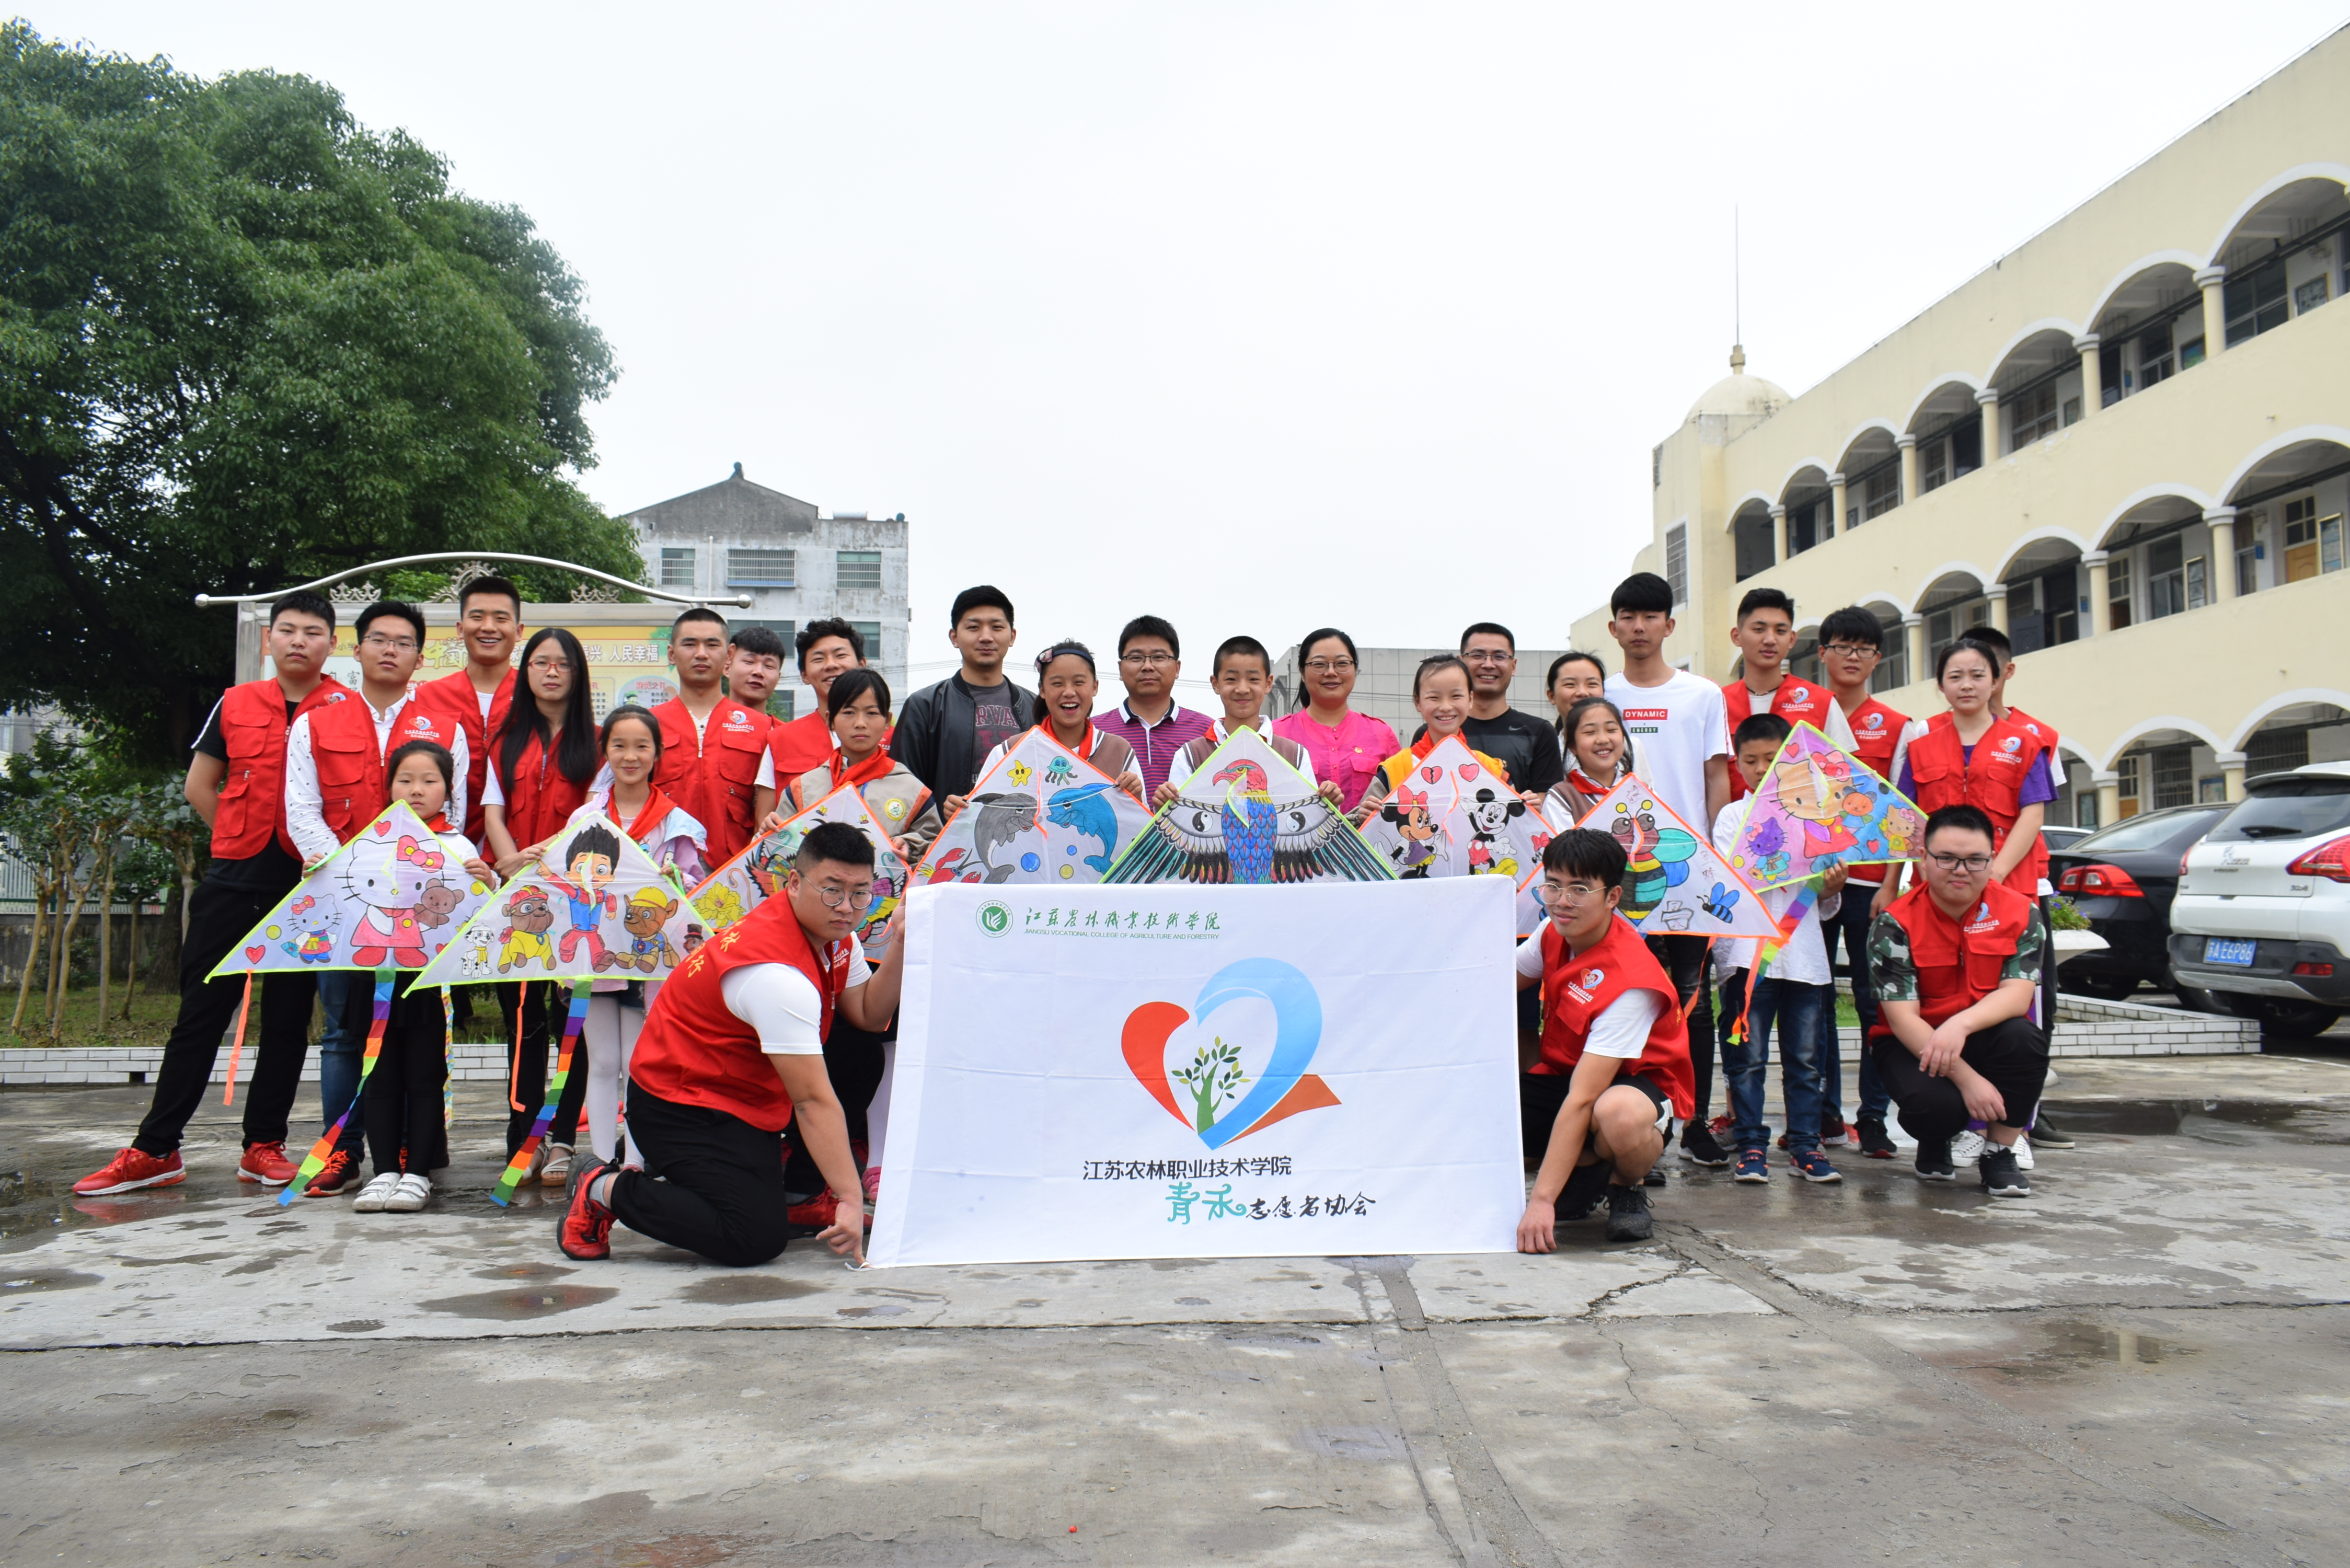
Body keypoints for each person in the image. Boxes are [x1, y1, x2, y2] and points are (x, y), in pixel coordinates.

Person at [73, 594, 352, 1198]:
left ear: (333, 645)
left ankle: (263, 1145)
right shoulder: (236, 702)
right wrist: (237, 840)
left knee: (286, 1022)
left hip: (307, 887)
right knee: (199, 1016)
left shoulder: (346, 709)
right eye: (287, 630)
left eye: (312, 632)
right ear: (269, 640)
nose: (299, 641)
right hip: (232, 880)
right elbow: (201, 785)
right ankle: (156, 1149)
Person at [559, 821, 905, 1267]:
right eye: (832, 890)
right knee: (753, 1238)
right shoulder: (775, 975)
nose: (846, 908)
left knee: (860, 1052)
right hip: (680, 1105)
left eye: (861, 894)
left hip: (744, 1088)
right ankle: (603, 1188)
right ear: (794, 883)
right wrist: (851, 1197)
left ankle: (800, 1194)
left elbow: (869, 1017)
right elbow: (811, 1101)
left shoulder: (835, 938)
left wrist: (901, 943)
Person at [280, 601, 469, 1193]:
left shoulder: (446, 728)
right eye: (379, 639)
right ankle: (342, 1150)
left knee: (418, 1038)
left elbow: (456, 814)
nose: (391, 650)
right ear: (356, 649)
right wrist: (348, 880)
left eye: (404, 642)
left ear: (420, 656)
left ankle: (411, 1149)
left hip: (418, 918)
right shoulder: (316, 722)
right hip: (345, 906)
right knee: (343, 1031)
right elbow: (301, 809)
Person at [1603, 572, 1732, 1168]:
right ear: (1613, 627)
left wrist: (1715, 854)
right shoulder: (1602, 693)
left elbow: (1714, 775)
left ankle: (1695, 1120)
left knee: (1693, 1002)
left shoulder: (1701, 695)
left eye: (1650, 616)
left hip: (1688, 872)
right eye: (1628, 617)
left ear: (1668, 626)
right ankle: (1637, 1131)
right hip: (1617, 875)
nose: (1639, 627)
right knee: (1627, 999)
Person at [1514, 828, 1696, 1250]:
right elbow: (1490, 984)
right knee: (1485, 1110)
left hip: (1636, 1087)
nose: (1562, 901)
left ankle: (1625, 1183)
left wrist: (1541, 1201)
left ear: (1613, 896)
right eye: (1553, 885)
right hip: (1567, 1075)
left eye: (1580, 889)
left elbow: (1583, 1098)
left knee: (1617, 1116)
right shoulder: (1552, 932)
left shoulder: (1631, 981)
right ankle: (1586, 1164)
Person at [347, 740, 500, 1213]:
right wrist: (319, 872)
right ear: (389, 786)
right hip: (373, 981)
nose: (417, 790)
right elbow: (344, 898)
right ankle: (383, 1172)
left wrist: (489, 883)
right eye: (406, 780)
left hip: (428, 984)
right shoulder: (367, 844)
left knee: (426, 1078)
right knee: (378, 1078)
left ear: (448, 790)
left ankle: (417, 1175)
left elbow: (480, 918)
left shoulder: (458, 846)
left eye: (429, 781)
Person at [1866, 804, 2047, 1197]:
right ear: (1924, 858)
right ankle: (1936, 1139)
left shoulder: (2021, 913)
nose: (1961, 870)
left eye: (1975, 860)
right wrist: (1969, 1081)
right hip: (1913, 1043)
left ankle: (2000, 1152)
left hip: (1982, 1033)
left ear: (1992, 860)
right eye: (1946, 858)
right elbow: (1902, 1019)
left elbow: (2017, 997)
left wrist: (1959, 1026)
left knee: (2025, 1040)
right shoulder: (1895, 923)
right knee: (1936, 1108)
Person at [481, 627, 600, 1177]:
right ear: (525, 671)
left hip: (576, 901)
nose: (552, 672)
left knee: (572, 1023)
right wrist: (512, 864)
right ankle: (523, 1138)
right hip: (517, 901)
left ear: (578, 674)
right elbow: (493, 813)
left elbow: (596, 817)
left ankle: (563, 1138)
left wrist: (541, 858)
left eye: (563, 664)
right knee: (523, 1023)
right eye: (540, 662)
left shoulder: (598, 743)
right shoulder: (504, 742)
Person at [570, 705, 708, 1172]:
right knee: (602, 1062)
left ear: (658, 753)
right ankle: (599, 1166)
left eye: (641, 746)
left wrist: (676, 881)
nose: (630, 756)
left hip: (650, 961)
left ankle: (634, 1164)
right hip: (594, 956)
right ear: (605, 751)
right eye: (619, 746)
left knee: (637, 1064)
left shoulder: (676, 823)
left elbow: (695, 888)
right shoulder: (586, 817)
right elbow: (563, 881)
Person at [1712, 714, 1847, 1185]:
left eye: (1772, 759)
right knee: (1746, 1060)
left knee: (1806, 1062)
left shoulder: (1820, 818)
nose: (1760, 768)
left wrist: (1832, 886)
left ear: (1793, 762)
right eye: (1750, 760)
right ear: (1738, 764)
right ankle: (1751, 1145)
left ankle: (1807, 1146)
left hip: (1805, 959)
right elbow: (1735, 879)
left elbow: (1825, 904)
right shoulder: (1732, 817)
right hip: (1747, 961)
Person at [1963, 621, 2075, 1149]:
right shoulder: (1932, 736)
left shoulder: (2037, 737)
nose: (1971, 680)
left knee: (2033, 1001)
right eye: (1959, 670)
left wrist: (1999, 872)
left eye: (1982, 668)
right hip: (1957, 889)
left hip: (2023, 888)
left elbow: (2037, 812)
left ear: (2003, 672)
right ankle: (1967, 1118)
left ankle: (2026, 1112)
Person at [1817, 606, 1908, 1160]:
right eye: (1841, 646)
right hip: (1816, 884)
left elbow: (1901, 812)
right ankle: (1825, 1113)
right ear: (1822, 653)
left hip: (1873, 887)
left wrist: (1892, 884)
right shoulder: (1806, 716)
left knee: (1875, 1004)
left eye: (1863, 649)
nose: (1851, 657)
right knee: (1817, 999)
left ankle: (1873, 1117)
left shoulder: (1896, 726)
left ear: (1877, 658)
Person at [1883, 639, 2053, 907]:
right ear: (1941, 685)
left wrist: (1995, 873)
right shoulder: (1920, 750)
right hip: (1936, 889)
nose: (1966, 685)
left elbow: (2033, 816)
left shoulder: (2026, 745)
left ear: (1995, 682)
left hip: (2008, 886)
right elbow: (1907, 820)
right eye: (1955, 677)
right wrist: (1919, 877)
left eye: (1977, 676)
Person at [648, 608, 775, 868]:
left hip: (736, 869)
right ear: (671, 653)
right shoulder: (646, 724)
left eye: (712, 645)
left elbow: (768, 810)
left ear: (729, 655)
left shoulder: (762, 728)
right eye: (690, 644)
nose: (701, 654)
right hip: (661, 868)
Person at [894, 586, 1032, 803]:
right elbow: (903, 788)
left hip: (1021, 823)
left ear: (1012, 636)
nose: (986, 637)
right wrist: (939, 814)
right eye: (974, 627)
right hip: (945, 825)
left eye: (997, 627)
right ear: (954, 637)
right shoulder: (924, 707)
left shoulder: (1036, 707)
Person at [786, 670, 944, 858]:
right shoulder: (802, 789)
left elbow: (937, 851)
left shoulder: (913, 791)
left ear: (887, 721)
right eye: (849, 712)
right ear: (830, 721)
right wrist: (769, 830)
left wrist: (910, 846)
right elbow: (775, 852)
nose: (860, 723)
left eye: (872, 713)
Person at [1160, 636, 1334, 804]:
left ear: (1268, 684)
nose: (1243, 689)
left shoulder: (1295, 756)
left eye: (1253, 679)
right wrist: (1164, 805)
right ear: (1216, 684)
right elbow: (1176, 817)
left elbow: (1309, 815)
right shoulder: (1191, 756)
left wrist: (1328, 802)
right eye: (1231, 679)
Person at [1352, 654, 1520, 826]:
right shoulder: (1395, 769)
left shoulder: (1491, 769)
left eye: (1456, 696)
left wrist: (1527, 808)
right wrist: (1364, 817)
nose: (1446, 707)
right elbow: (1365, 833)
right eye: (1434, 697)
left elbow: (1515, 827)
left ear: (1470, 699)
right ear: (1418, 702)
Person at [1720, 588, 1855, 801]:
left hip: (1805, 819)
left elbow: (1845, 776)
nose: (1770, 640)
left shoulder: (1821, 702)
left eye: (1780, 631)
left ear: (1792, 639)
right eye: (1759, 629)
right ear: (1737, 636)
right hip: (1734, 821)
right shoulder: (1717, 704)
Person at [415, 575, 522, 844]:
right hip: (440, 844)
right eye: (477, 617)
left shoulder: (535, 696)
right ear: (460, 629)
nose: (489, 627)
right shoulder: (427, 698)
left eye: (501, 618)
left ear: (519, 631)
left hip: (522, 845)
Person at [971, 642, 1146, 804]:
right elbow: (979, 812)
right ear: (1042, 690)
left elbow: (1141, 822)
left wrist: (1135, 797)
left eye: (1079, 682)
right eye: (1057, 684)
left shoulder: (1119, 752)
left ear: (1095, 687)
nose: (1069, 692)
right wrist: (963, 807)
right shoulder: (1010, 752)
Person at [1410, 624, 1565, 799]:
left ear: (1514, 666)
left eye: (1499, 656)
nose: (1488, 664)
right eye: (1478, 655)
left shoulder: (1539, 732)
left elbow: (1545, 803)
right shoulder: (1432, 731)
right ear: (1461, 662)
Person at [1272, 628, 1400, 815]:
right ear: (1302, 672)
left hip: (1369, 835)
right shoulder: (1275, 735)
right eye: (1319, 664)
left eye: (1342, 664)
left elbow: (1402, 801)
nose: (1331, 672)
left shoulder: (1382, 734)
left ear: (1355, 669)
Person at [1091, 614, 1213, 800]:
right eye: (1136, 658)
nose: (1147, 666)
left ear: (1177, 668)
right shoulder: (1094, 733)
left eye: (1158, 657)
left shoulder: (1208, 733)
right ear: (1120, 669)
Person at [767, 618, 870, 781]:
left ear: (862, 665)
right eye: (819, 659)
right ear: (804, 675)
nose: (831, 665)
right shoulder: (780, 740)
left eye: (841, 655)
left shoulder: (890, 739)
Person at [1543, 696, 1634, 826]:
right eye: (1590, 732)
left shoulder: (1640, 791)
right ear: (1573, 746)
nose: (1603, 740)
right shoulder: (1561, 798)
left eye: (1611, 730)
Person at [721, 623, 789, 720]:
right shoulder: (706, 726)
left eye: (769, 666)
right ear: (727, 668)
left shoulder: (783, 730)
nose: (758, 672)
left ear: (778, 678)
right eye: (749, 662)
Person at [1544, 651, 1608, 751]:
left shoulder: (1628, 747)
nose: (1583, 692)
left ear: (1603, 692)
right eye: (1570, 684)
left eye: (1592, 684)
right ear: (1552, 696)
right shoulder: (1545, 752)